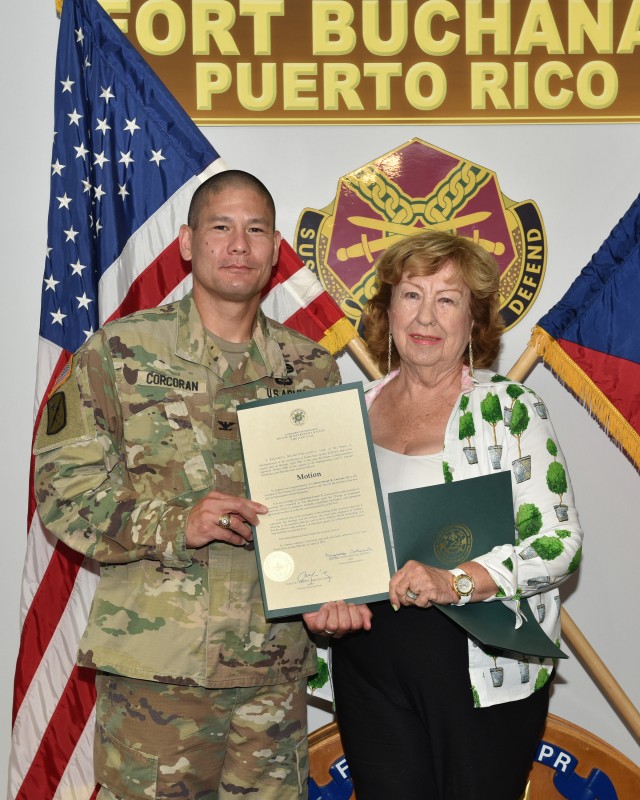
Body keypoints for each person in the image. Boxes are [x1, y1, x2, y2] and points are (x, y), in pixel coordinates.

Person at [33, 170, 342, 800]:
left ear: (276, 248)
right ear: (185, 241)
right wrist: (176, 523)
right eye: (220, 227)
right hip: (159, 677)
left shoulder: (311, 368)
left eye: (255, 230)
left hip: (271, 676)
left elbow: (328, 510)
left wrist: (334, 590)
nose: (238, 245)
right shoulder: (119, 352)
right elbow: (62, 490)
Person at [304, 229, 583, 800]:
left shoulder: (509, 408)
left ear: (474, 321)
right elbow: (323, 541)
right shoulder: (348, 414)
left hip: (481, 667)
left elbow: (559, 542)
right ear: (387, 309)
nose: (425, 315)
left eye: (447, 299)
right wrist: (318, 599)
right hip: (369, 663)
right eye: (411, 294)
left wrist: (453, 580)